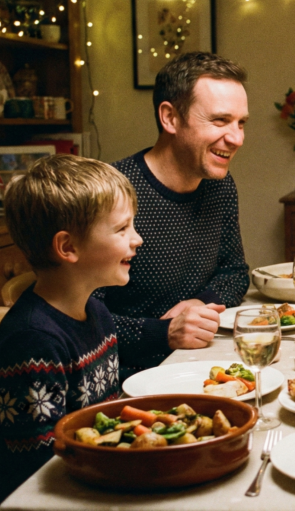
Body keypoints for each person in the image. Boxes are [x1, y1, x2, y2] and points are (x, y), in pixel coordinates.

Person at [0, 155, 142, 507]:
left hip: (91, 476)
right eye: (122, 229)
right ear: (68, 247)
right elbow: (39, 468)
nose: (137, 239)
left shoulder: (95, 310)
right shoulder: (34, 341)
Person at [94, 52, 250, 381]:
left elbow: (234, 272)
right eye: (220, 121)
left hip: (201, 365)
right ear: (170, 118)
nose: (236, 138)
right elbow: (78, 317)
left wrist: (200, 304)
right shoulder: (110, 193)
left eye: (241, 123)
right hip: (126, 382)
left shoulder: (220, 187)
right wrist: (163, 332)